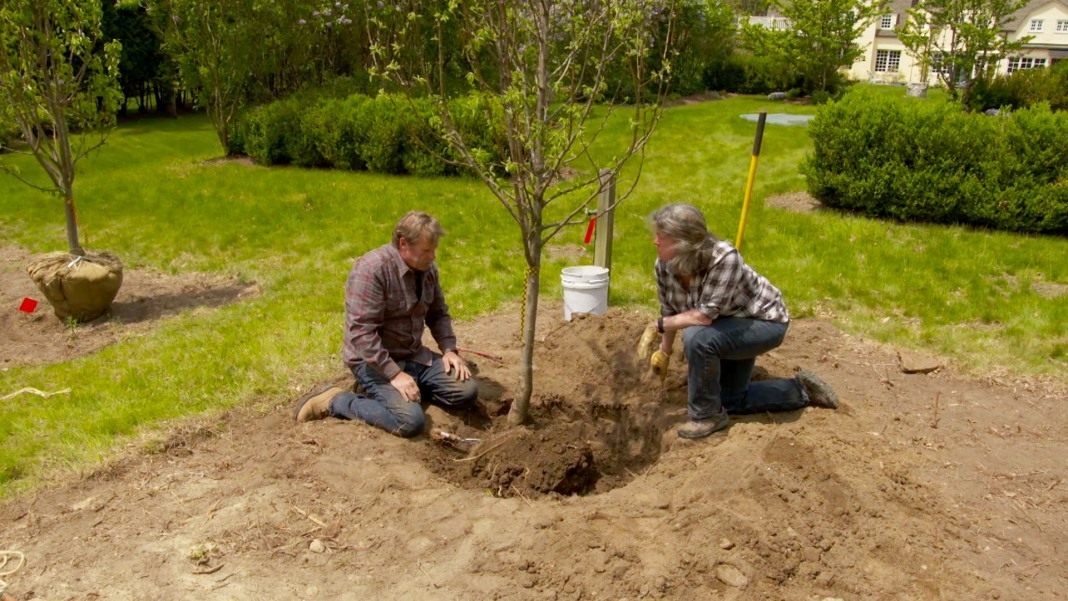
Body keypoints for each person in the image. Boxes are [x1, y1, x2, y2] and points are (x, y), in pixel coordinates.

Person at [644, 203, 838, 440]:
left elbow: (703, 316)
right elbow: (670, 310)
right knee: (729, 400)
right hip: (726, 325)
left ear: (683, 244)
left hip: (762, 322)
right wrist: (663, 353)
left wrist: (660, 325)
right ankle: (800, 390)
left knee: (696, 337)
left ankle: (706, 416)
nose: (655, 241)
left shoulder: (723, 258)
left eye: (662, 237)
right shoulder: (663, 267)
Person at [294, 211, 479, 437]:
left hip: (412, 355)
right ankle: (337, 401)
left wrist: (449, 350)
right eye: (427, 251)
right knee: (410, 422)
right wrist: (394, 374)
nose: (433, 257)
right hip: (372, 361)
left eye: (434, 249)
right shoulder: (371, 270)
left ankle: (395, 392)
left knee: (466, 392)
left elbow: (438, 313)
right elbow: (362, 333)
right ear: (403, 244)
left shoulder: (427, 269)